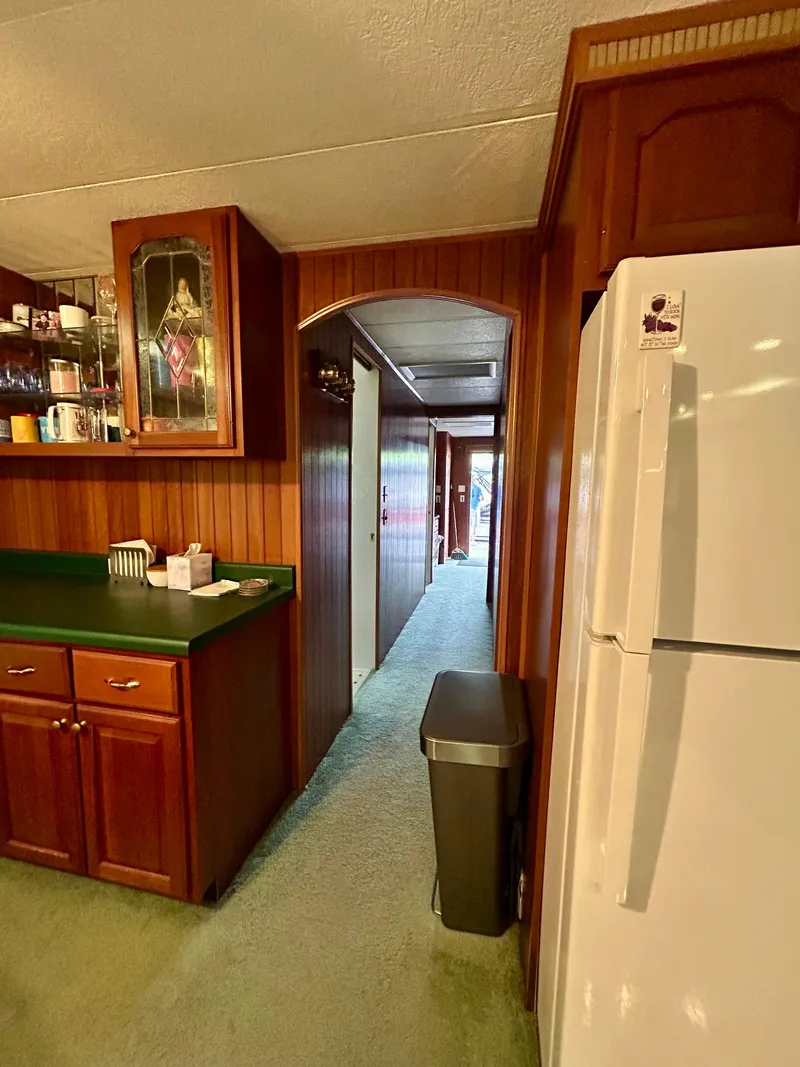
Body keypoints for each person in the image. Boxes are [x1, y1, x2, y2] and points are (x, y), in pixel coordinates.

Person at [470, 475, 485, 543]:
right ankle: (473, 539)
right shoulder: (478, 488)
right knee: (474, 525)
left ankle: (470, 539)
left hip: (469, 508)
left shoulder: (468, 486)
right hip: (475, 508)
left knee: (470, 524)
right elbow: (482, 498)